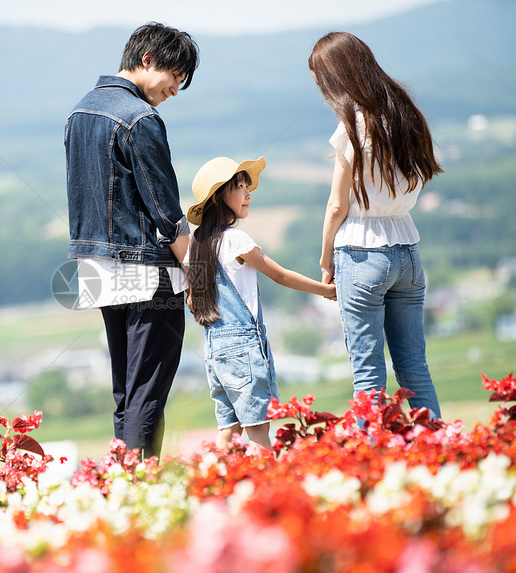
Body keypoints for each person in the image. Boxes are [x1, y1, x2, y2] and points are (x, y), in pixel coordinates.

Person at [65, 23, 200, 458]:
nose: (175, 91)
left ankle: (124, 482)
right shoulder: (140, 117)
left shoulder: (79, 112)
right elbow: (166, 210)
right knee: (148, 390)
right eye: (174, 78)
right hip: (146, 271)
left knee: (126, 389)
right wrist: (197, 273)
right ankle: (141, 485)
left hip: (98, 269)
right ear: (147, 60)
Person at [309, 31, 443, 419]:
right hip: (408, 249)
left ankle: (369, 458)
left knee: (368, 374)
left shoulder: (351, 126)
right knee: (415, 368)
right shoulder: (405, 115)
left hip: (360, 250)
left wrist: (326, 259)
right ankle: (438, 447)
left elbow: (337, 205)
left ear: (336, 77)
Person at [186, 156, 336, 450]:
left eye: (246, 186)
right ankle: (265, 487)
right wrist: (325, 290)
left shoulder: (198, 245)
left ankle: (209, 482)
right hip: (243, 347)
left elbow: (193, 300)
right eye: (239, 187)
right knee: (258, 433)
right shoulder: (235, 240)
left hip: (215, 349)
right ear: (218, 197)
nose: (248, 193)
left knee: (228, 434)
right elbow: (279, 275)